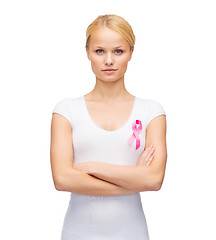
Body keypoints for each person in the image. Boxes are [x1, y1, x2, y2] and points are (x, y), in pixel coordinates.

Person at [50, 14, 167, 240]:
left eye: (118, 51)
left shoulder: (152, 112)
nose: (109, 60)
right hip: (77, 234)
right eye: (100, 51)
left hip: (132, 233)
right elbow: (62, 179)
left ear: (131, 53)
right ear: (87, 53)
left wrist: (91, 166)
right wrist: (133, 180)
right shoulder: (66, 110)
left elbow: (153, 180)